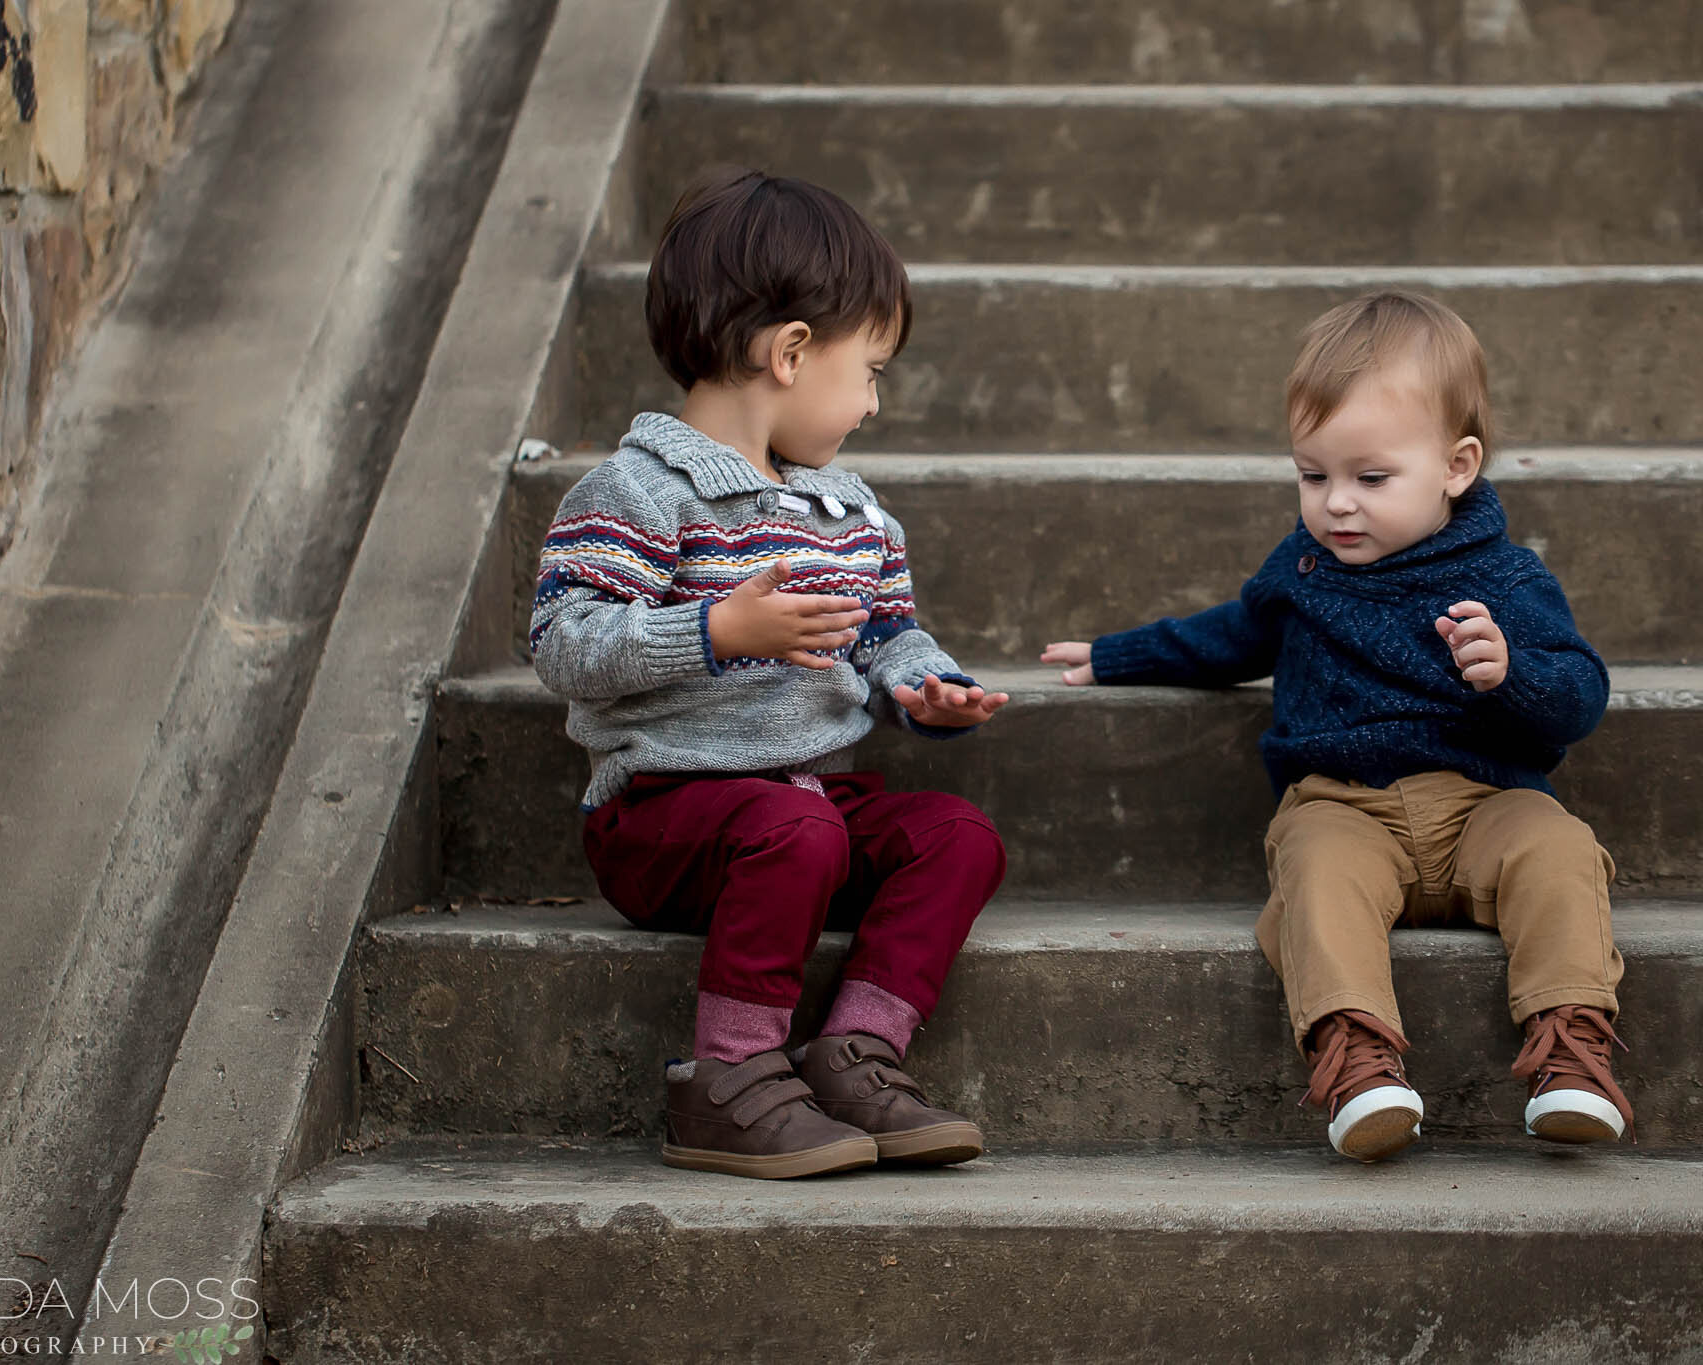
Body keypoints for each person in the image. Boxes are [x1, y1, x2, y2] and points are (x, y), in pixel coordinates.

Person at [1041, 291, 1630, 1162]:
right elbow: (1229, 637)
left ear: (1456, 467)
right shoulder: (1304, 567)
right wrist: (1120, 656)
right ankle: (1359, 1060)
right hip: (1343, 804)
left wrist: (1514, 673)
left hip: (1485, 800)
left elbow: (1580, 693)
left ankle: (1571, 1050)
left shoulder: (1505, 581)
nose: (1337, 504)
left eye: (1371, 478)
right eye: (1314, 476)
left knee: (1559, 847)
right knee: (1313, 874)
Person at [529, 167, 1008, 1180]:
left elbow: (885, 636)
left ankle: (855, 1051)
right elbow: (564, 643)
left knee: (956, 836)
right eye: (870, 370)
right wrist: (715, 630)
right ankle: (729, 1080)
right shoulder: (637, 493)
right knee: (792, 829)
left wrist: (925, 689)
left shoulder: (853, 513)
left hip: (813, 814)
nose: (872, 404)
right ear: (791, 352)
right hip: (668, 819)